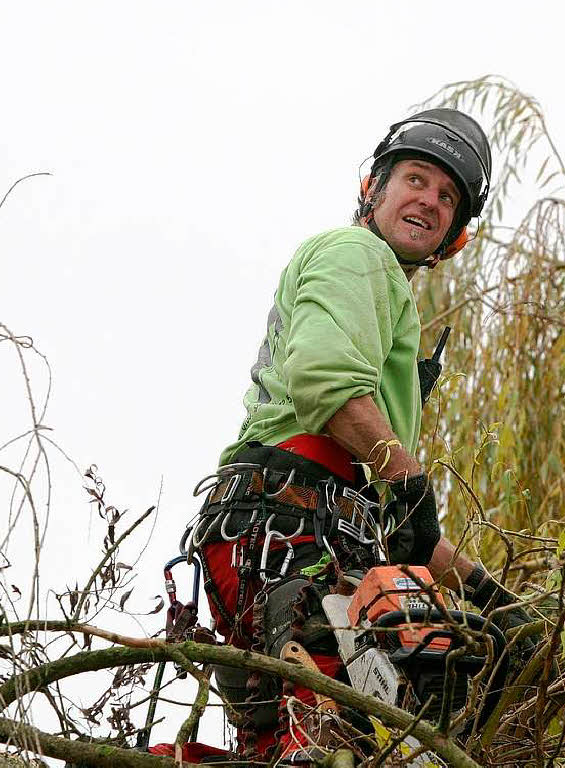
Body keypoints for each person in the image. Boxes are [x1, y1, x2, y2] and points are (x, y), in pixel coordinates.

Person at [186, 108, 529, 763]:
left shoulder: (382, 292)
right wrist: (407, 476)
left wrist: (493, 596)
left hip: (309, 529)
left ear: (454, 235)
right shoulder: (356, 253)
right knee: (334, 733)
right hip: (289, 527)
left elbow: (408, 531)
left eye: (447, 196)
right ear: (371, 188)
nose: (429, 199)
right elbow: (324, 380)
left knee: (333, 736)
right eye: (416, 179)